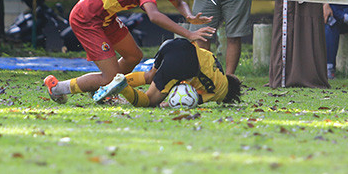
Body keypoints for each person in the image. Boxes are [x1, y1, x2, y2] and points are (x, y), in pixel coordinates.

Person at [43, 0, 215, 102]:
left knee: (133, 56)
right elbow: (154, 16)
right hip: (86, 18)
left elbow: (178, 1)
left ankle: (104, 90)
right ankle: (57, 88)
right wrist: (189, 34)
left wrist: (189, 16)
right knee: (110, 77)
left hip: (105, 17)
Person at [92, 37, 243, 107]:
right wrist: (168, 103)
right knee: (149, 101)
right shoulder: (220, 92)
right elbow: (194, 100)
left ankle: (115, 80)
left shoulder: (216, 63)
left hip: (175, 44)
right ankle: (123, 86)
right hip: (183, 63)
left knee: (149, 76)